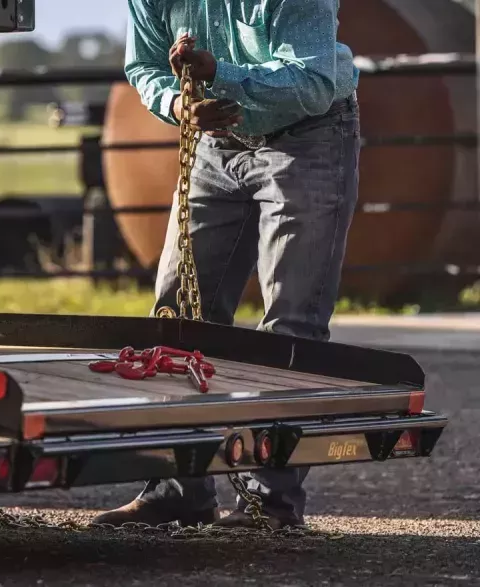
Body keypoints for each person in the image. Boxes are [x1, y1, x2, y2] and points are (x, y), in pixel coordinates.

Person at [91, 0, 361, 530]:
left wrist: (219, 74)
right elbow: (143, 66)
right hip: (214, 140)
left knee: (291, 323)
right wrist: (176, 103)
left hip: (308, 137)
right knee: (178, 312)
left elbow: (312, 83)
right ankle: (179, 488)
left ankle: (271, 502)